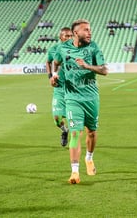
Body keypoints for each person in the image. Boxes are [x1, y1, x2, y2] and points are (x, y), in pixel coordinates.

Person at [51, 19, 108, 184]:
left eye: (90, 29)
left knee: (91, 132)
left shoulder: (93, 47)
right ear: (76, 33)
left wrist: (87, 66)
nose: (89, 32)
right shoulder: (63, 48)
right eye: (86, 30)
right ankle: (74, 172)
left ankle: (89, 158)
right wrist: (54, 76)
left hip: (91, 97)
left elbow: (104, 70)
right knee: (75, 132)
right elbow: (56, 62)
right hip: (72, 98)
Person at [46, 27, 73, 147]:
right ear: (60, 37)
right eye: (66, 36)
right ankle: (64, 131)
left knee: (74, 119)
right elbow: (48, 61)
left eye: (70, 36)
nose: (68, 38)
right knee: (57, 118)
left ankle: (75, 145)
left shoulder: (76, 49)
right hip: (59, 89)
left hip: (72, 90)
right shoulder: (54, 49)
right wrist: (50, 76)